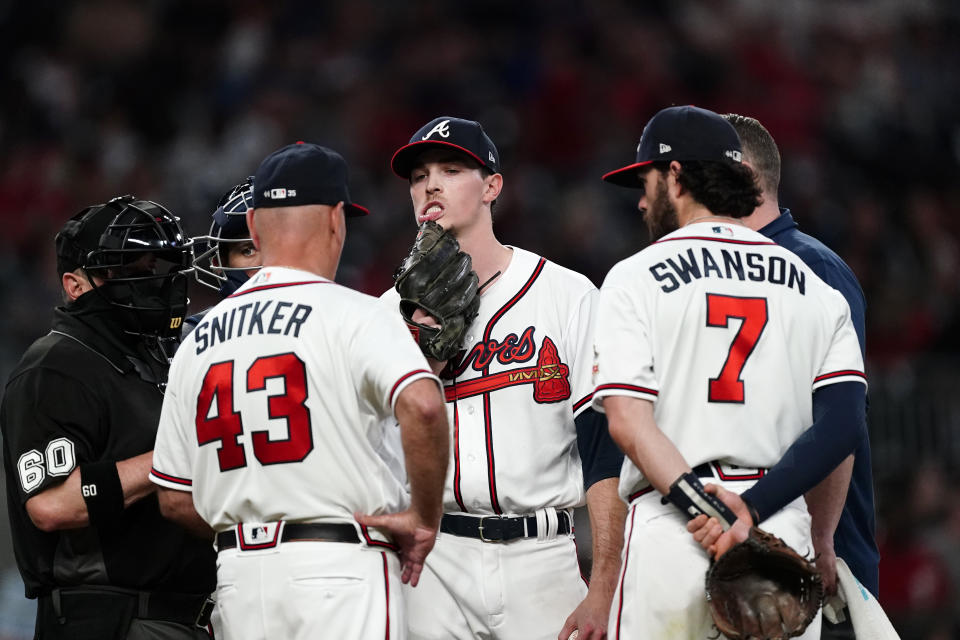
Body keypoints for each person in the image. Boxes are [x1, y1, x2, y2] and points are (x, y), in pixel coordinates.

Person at [148, 142, 450, 640]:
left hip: (239, 581)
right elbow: (423, 406)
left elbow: (174, 497)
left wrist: (255, 519)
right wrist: (422, 518)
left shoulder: (197, 339)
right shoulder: (356, 313)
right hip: (338, 568)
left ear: (254, 226)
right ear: (337, 220)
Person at [593, 105, 868, 639]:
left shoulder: (633, 277)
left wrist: (708, 512)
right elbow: (843, 427)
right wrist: (748, 511)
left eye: (646, 182)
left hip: (675, 530)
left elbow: (627, 420)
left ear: (676, 176)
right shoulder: (816, 287)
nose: (643, 200)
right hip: (777, 532)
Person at [383, 117, 626, 640]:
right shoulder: (383, 315)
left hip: (542, 555)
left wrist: (605, 583)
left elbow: (605, 446)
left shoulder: (566, 294)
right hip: (432, 561)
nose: (431, 184)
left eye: (452, 169)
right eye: (419, 175)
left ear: (493, 186)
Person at [0, 195, 217, 639]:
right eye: (125, 271)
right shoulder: (55, 367)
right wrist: (167, 460)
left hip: (185, 615)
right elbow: (52, 503)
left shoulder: (161, 358)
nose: (150, 282)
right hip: (106, 616)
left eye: (156, 268)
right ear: (75, 285)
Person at [722, 113, 879, 638]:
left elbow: (839, 416)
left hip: (821, 554)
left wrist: (821, 537)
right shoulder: (718, 271)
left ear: (741, 174)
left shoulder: (812, 266)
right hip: (754, 538)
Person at [185, 177, 261, 336]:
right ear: (219, 263)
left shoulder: (325, 319)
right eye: (248, 251)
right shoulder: (191, 337)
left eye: (275, 249)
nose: (264, 266)